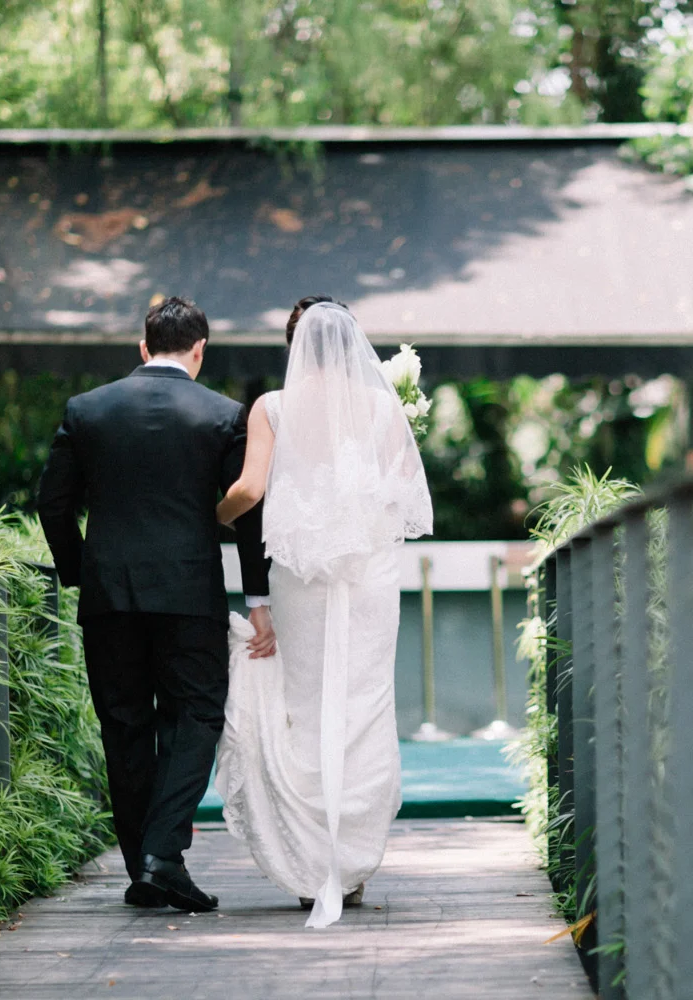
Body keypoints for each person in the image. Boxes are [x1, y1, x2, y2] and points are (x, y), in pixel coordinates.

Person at [37, 296, 277, 913]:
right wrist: (257, 597)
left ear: (143, 348)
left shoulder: (87, 410)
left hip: (108, 594)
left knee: (124, 726)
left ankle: (144, 863)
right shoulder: (226, 415)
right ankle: (161, 856)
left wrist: (77, 571)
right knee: (196, 713)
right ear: (200, 350)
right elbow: (247, 514)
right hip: (189, 593)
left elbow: (53, 505)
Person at [214, 299, 432, 929]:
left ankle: (315, 864)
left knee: (306, 707)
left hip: (301, 576)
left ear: (295, 345)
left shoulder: (274, 407)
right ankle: (353, 863)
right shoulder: (381, 405)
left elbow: (250, 491)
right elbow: (399, 495)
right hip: (367, 576)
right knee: (364, 702)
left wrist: (216, 513)